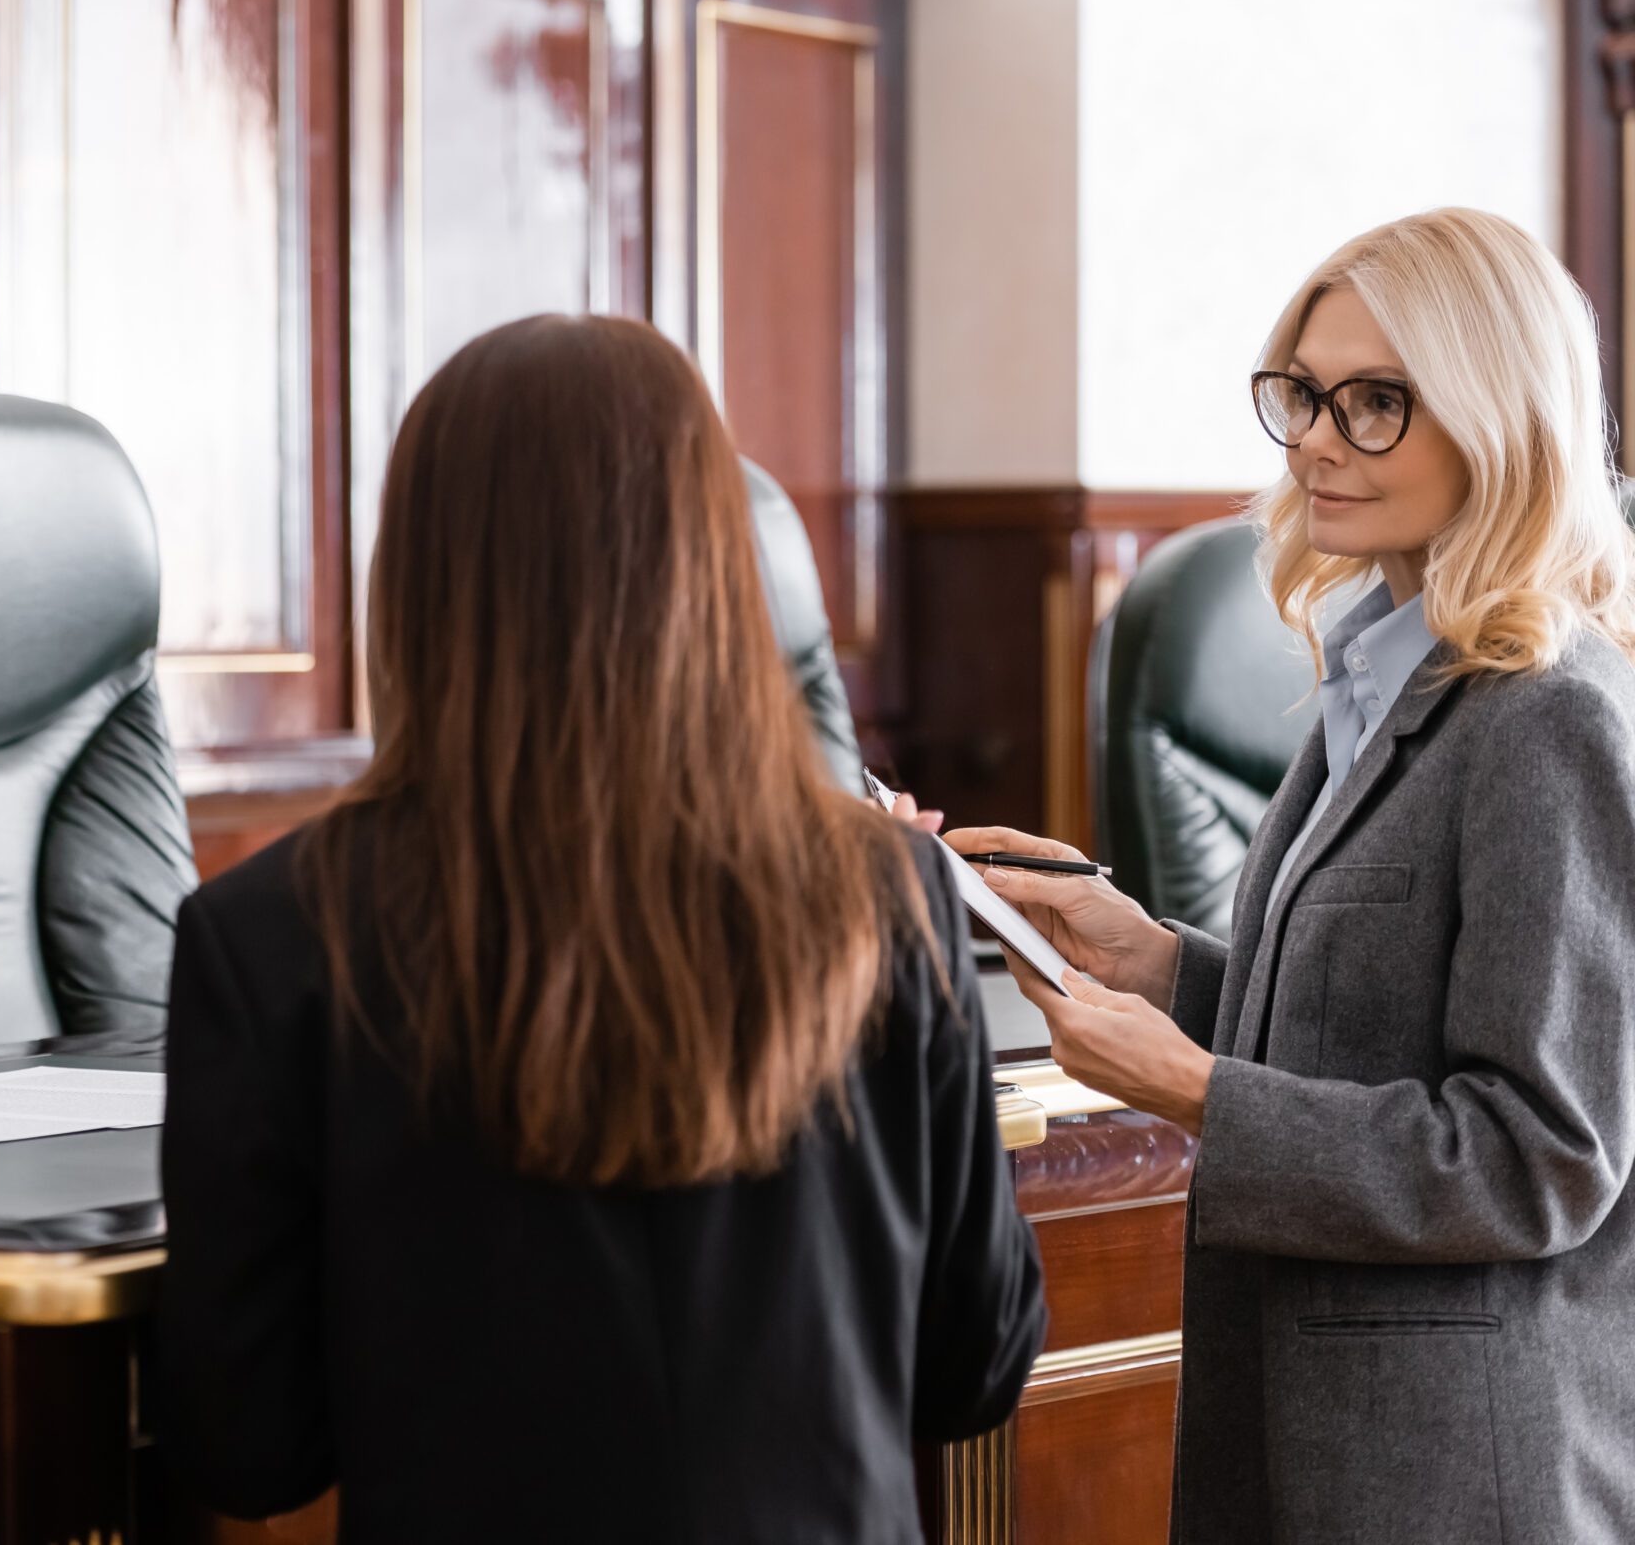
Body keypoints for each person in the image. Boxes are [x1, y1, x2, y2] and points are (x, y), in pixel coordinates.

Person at [159, 314, 1045, 1543]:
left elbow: (247, 1442)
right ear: (713, 563)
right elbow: (974, 1365)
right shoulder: (893, 894)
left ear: (412, 572)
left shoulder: (267, 934)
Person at [952, 207, 1635, 1543]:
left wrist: (1189, 1089)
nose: (1320, 437)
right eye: (1309, 394)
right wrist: (1154, 958)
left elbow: (1536, 1159)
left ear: (1503, 423)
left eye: (1378, 401)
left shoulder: (1547, 717)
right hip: (1311, 1434)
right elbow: (1372, 1027)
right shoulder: (1382, 664)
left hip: (1455, 1477)